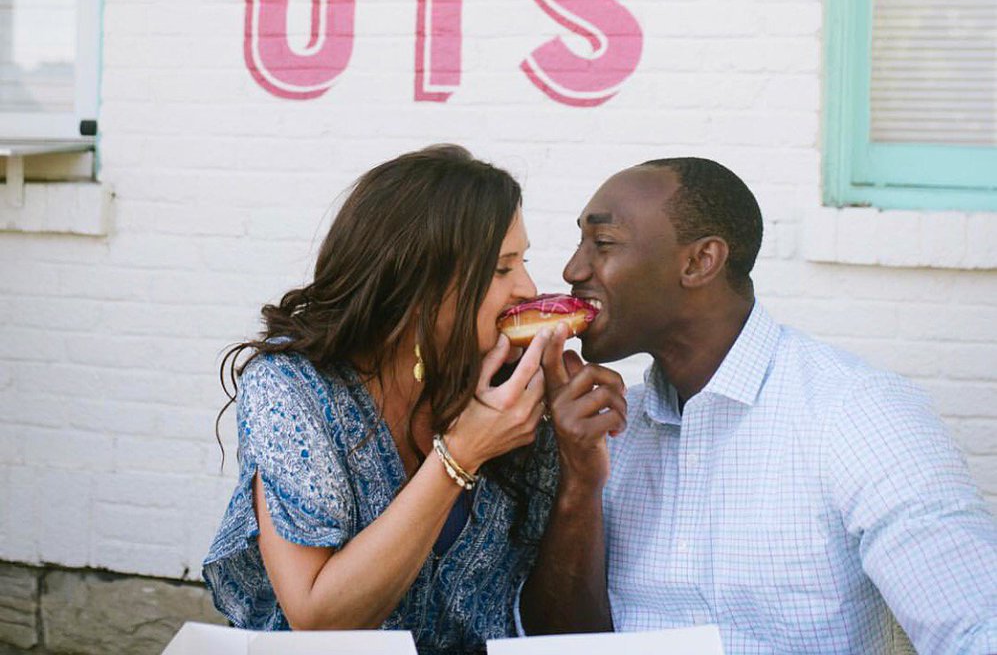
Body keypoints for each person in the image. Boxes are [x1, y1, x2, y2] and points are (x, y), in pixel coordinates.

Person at [522, 156, 997, 654]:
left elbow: (973, 627)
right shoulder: (610, 431)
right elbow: (561, 643)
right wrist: (579, 480)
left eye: (602, 244)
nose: (572, 269)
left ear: (699, 262)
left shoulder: (857, 414)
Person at [203, 144, 558, 655]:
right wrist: (459, 455)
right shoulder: (292, 387)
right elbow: (318, 616)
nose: (527, 287)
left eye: (523, 262)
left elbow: (545, 614)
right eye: (502, 269)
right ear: (420, 281)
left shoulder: (504, 384)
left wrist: (581, 461)